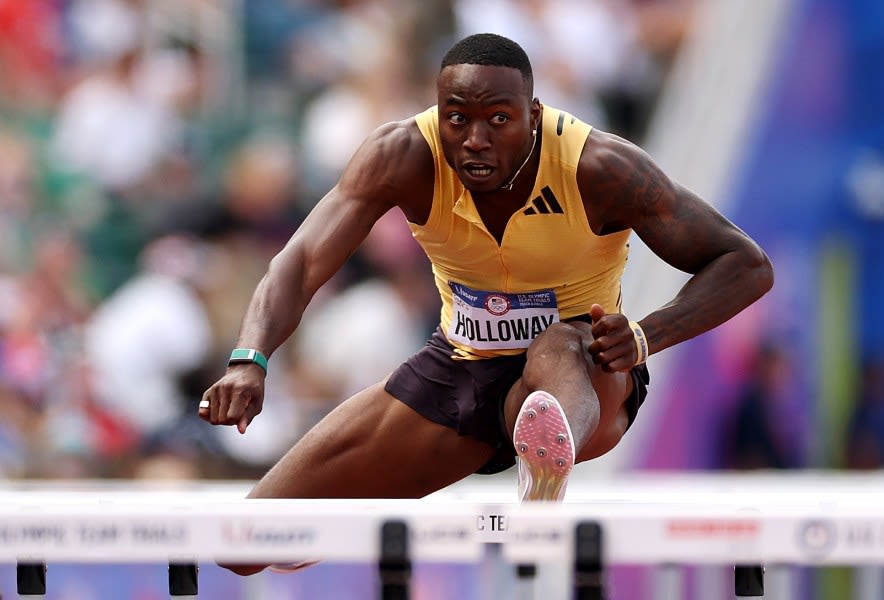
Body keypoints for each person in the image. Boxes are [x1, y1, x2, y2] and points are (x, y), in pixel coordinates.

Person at [199, 33, 774, 575]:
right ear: (438, 113)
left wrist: (646, 335)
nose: (475, 139)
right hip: (461, 367)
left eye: (499, 119)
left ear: (534, 113)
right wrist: (251, 358)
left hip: (585, 377)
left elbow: (744, 264)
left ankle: (546, 467)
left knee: (558, 342)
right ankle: (358, 511)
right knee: (249, 543)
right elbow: (300, 261)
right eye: (458, 119)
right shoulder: (402, 154)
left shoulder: (599, 167)